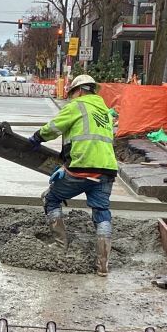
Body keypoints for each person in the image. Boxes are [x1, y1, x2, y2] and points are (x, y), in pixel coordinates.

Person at [28, 74, 119, 276]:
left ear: (78, 91)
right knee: (101, 212)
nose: (70, 98)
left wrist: (36, 138)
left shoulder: (77, 105)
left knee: (51, 198)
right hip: (107, 170)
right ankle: (102, 265)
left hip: (82, 167)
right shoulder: (104, 110)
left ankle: (60, 245)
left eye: (71, 94)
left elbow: (54, 127)